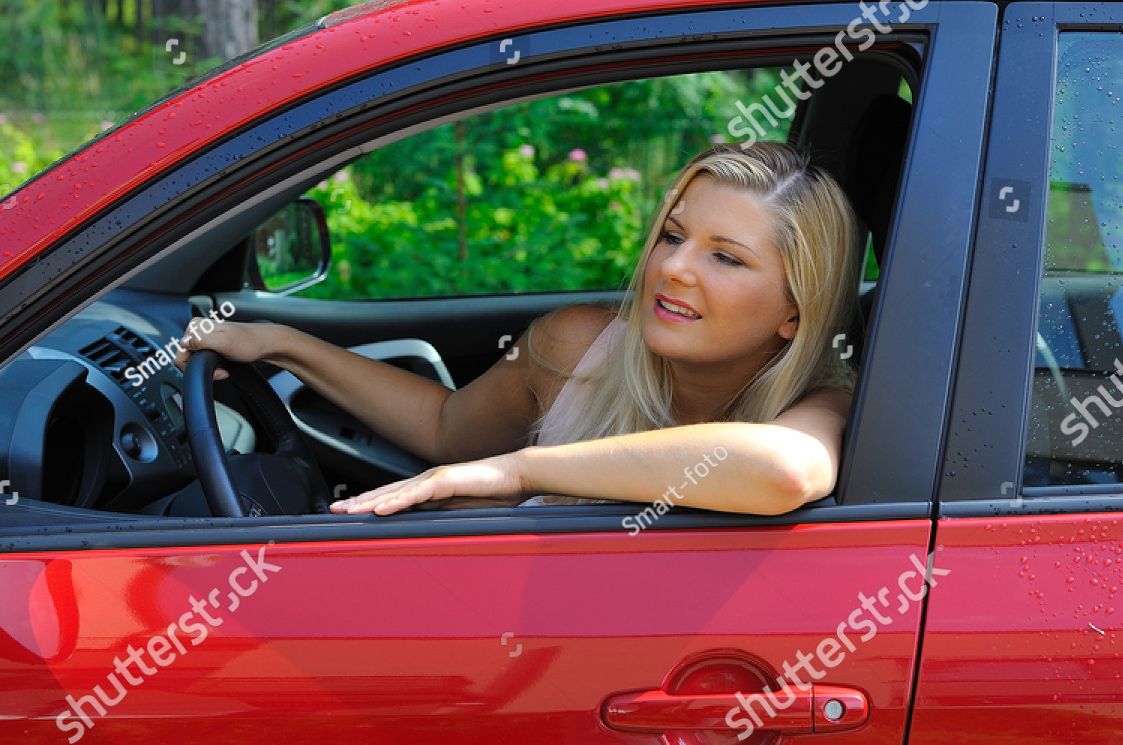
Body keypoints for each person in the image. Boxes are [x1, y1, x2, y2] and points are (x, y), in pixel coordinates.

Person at [174, 141, 862, 518]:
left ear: (793, 312)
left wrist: (517, 471)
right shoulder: (577, 348)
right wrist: (284, 345)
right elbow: (447, 429)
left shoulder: (821, 404)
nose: (673, 268)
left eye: (725, 257)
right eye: (672, 236)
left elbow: (780, 471)